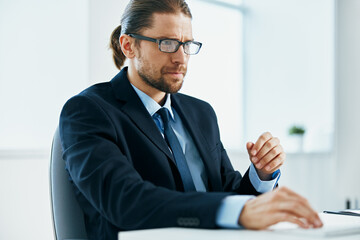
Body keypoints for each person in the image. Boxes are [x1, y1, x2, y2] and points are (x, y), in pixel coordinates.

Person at [59, 0, 323, 239]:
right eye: (167, 43)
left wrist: (261, 175)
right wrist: (238, 210)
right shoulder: (88, 111)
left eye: (187, 45)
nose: (181, 58)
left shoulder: (202, 113)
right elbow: (125, 202)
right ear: (129, 45)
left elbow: (228, 197)